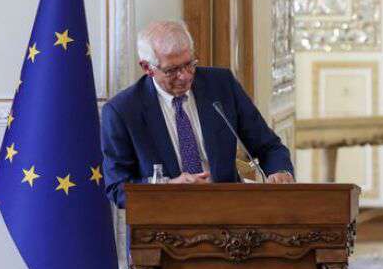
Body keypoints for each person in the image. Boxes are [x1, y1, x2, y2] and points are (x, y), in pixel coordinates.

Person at [100, 20, 294, 208]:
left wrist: (280, 171)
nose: (185, 76)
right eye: (172, 70)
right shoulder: (122, 111)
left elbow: (268, 146)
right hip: (165, 219)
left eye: (189, 64)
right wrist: (168, 187)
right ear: (147, 68)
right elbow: (117, 188)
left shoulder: (221, 84)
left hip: (228, 210)